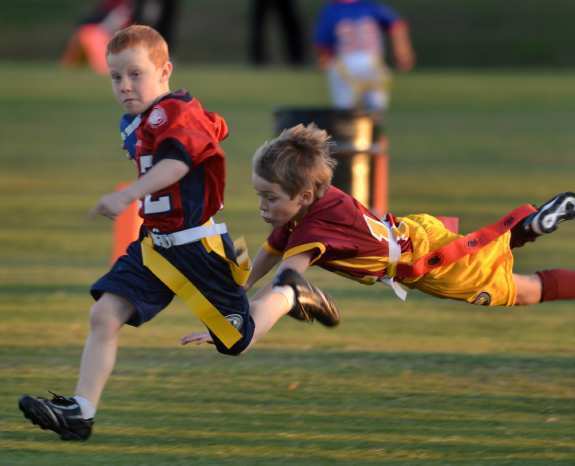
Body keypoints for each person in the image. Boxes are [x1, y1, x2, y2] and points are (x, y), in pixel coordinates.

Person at [18, 25, 338, 442]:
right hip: (154, 247)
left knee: (236, 341)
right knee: (104, 314)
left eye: (136, 74)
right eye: (116, 77)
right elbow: (210, 131)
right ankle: (82, 412)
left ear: (165, 70)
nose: (125, 86)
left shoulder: (171, 111)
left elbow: (179, 163)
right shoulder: (138, 120)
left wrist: (129, 194)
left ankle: (290, 293)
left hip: (199, 248)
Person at [181, 123, 575, 346]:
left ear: (302, 195)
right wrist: (232, 305)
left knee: (521, 290)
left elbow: (288, 282)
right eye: (259, 196)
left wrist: (244, 332)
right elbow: (264, 264)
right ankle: (529, 225)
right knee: (482, 260)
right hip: (419, 233)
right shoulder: (312, 207)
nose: (262, 207)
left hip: (427, 263)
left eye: (270, 198)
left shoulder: (314, 226)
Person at [313, 0, 415, 113]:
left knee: (345, 116)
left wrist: (323, 62)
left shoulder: (331, 10)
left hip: (344, 66)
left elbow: (322, 45)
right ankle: (374, 129)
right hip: (373, 64)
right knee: (375, 114)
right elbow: (397, 26)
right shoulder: (371, 6)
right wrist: (403, 53)